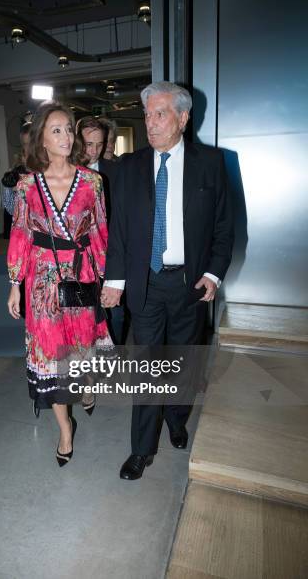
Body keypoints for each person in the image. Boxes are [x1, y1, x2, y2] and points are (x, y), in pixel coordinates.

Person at [101, 81, 234, 480]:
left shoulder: (211, 163)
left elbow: (225, 226)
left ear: (182, 118)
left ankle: (177, 418)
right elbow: (119, 230)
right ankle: (141, 449)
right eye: (146, 115)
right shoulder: (129, 166)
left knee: (180, 364)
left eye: (160, 114)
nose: (151, 123)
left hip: (189, 285)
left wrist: (212, 273)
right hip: (145, 284)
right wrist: (116, 281)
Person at [7, 102, 113, 466]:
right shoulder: (26, 186)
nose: (67, 136)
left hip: (81, 275)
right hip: (42, 281)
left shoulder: (92, 181)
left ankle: (84, 390)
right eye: (57, 130)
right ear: (42, 139)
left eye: (69, 129)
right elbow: (20, 233)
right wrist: (14, 282)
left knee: (80, 351)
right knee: (53, 356)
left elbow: (100, 231)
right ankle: (65, 430)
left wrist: (108, 279)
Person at [77, 116, 126, 344]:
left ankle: (114, 356)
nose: (95, 151)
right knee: (82, 312)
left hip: (111, 252)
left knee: (114, 311)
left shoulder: (116, 171)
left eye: (99, 144)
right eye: (89, 144)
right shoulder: (65, 173)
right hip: (77, 255)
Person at [1, 122, 32, 238]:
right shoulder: (15, 172)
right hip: (24, 232)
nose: (30, 148)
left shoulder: (53, 169)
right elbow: (9, 208)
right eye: (26, 144)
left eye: (33, 143)